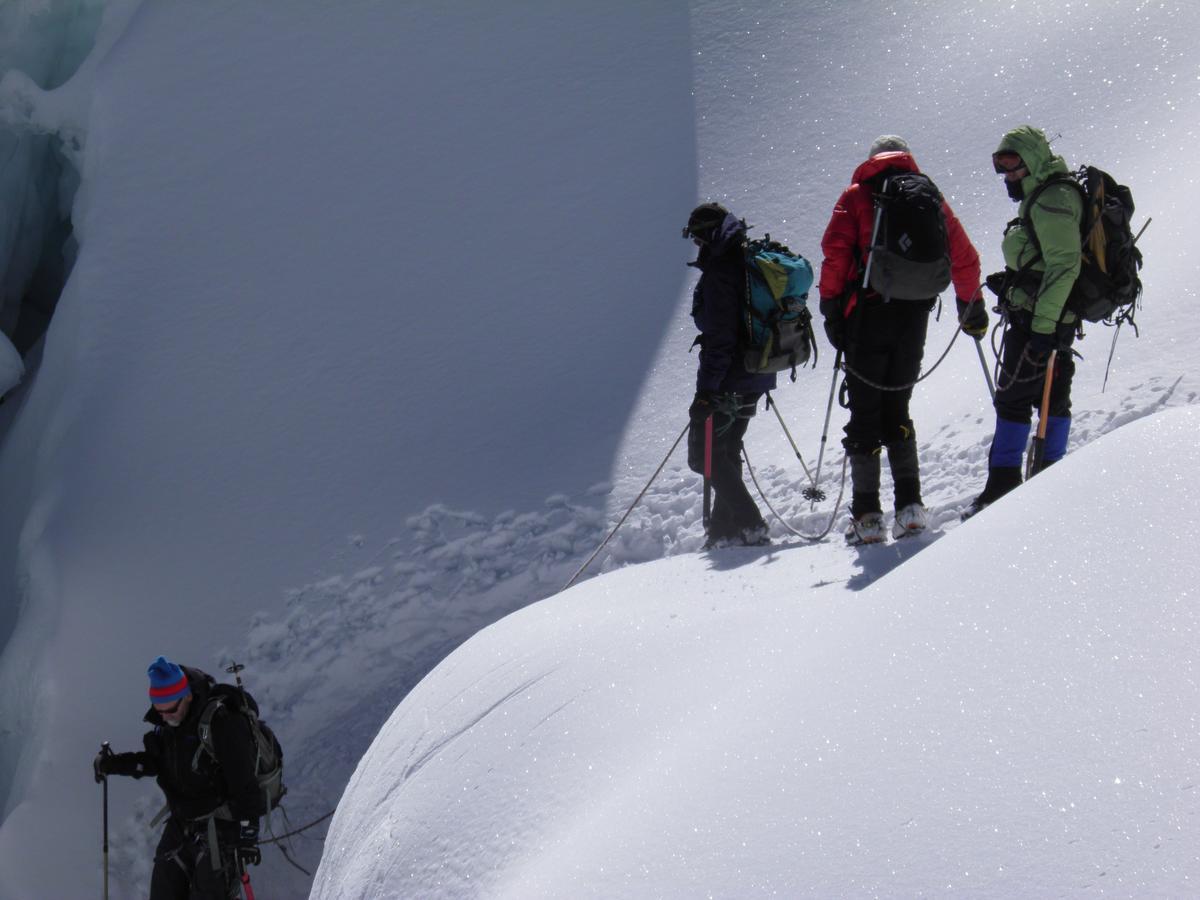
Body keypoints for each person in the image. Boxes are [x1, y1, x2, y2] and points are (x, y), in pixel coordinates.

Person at [819, 135, 986, 544]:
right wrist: (971, 307)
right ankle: (910, 509)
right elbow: (965, 256)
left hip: (867, 317)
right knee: (898, 409)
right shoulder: (928, 196)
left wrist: (830, 311)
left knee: (864, 413)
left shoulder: (858, 195)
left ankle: (868, 517)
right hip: (914, 317)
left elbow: (835, 255)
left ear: (872, 159)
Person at [964, 125, 1084, 518]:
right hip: (1051, 317)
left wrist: (1043, 330)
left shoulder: (1052, 199)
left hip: (1042, 324)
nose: (1008, 176)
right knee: (1050, 401)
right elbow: (1049, 262)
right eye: (1003, 169)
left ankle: (1002, 491)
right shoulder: (1049, 196)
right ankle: (1051, 482)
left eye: (1014, 166)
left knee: (1014, 400)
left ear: (1033, 160)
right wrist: (1015, 284)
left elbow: (1064, 266)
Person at [93, 657, 266, 899]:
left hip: (222, 828)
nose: (165, 717)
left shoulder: (222, 722)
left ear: (187, 695)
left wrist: (248, 834)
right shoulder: (167, 725)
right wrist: (113, 765)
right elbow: (156, 762)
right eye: (158, 710)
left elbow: (244, 780)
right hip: (182, 824)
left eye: (170, 709)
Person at [681, 202, 773, 548]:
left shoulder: (721, 272)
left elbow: (719, 341)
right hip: (758, 371)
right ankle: (724, 530)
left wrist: (705, 392)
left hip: (730, 379)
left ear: (705, 236)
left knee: (702, 455)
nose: (695, 245)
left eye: (695, 237)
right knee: (726, 449)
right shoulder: (745, 259)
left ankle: (750, 524)